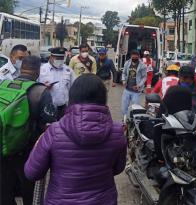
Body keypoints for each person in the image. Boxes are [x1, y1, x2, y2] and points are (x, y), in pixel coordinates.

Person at [24, 74, 127, 205]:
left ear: (72, 97)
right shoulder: (117, 132)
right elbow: (118, 168)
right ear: (103, 98)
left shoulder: (54, 132)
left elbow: (32, 173)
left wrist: (37, 146)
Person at [1, 56, 57, 205]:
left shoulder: (4, 84)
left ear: (21, 68)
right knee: (31, 193)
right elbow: (50, 124)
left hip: (4, 146)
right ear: (37, 72)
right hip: (29, 151)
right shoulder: (41, 92)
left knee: (5, 191)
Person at [38, 47, 76, 120]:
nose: (59, 60)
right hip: (46, 108)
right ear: (51, 57)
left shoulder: (68, 71)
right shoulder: (41, 70)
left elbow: (74, 88)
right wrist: (43, 87)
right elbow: (35, 87)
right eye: (57, 58)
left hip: (63, 108)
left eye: (61, 58)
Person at [121, 50, 147, 118]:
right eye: (133, 57)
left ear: (138, 57)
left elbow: (144, 77)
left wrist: (139, 85)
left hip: (136, 92)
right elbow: (124, 73)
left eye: (136, 58)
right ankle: (124, 122)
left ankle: (132, 123)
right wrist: (123, 80)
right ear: (131, 56)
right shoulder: (127, 63)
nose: (134, 59)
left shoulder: (142, 65)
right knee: (124, 109)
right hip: (127, 90)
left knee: (135, 109)